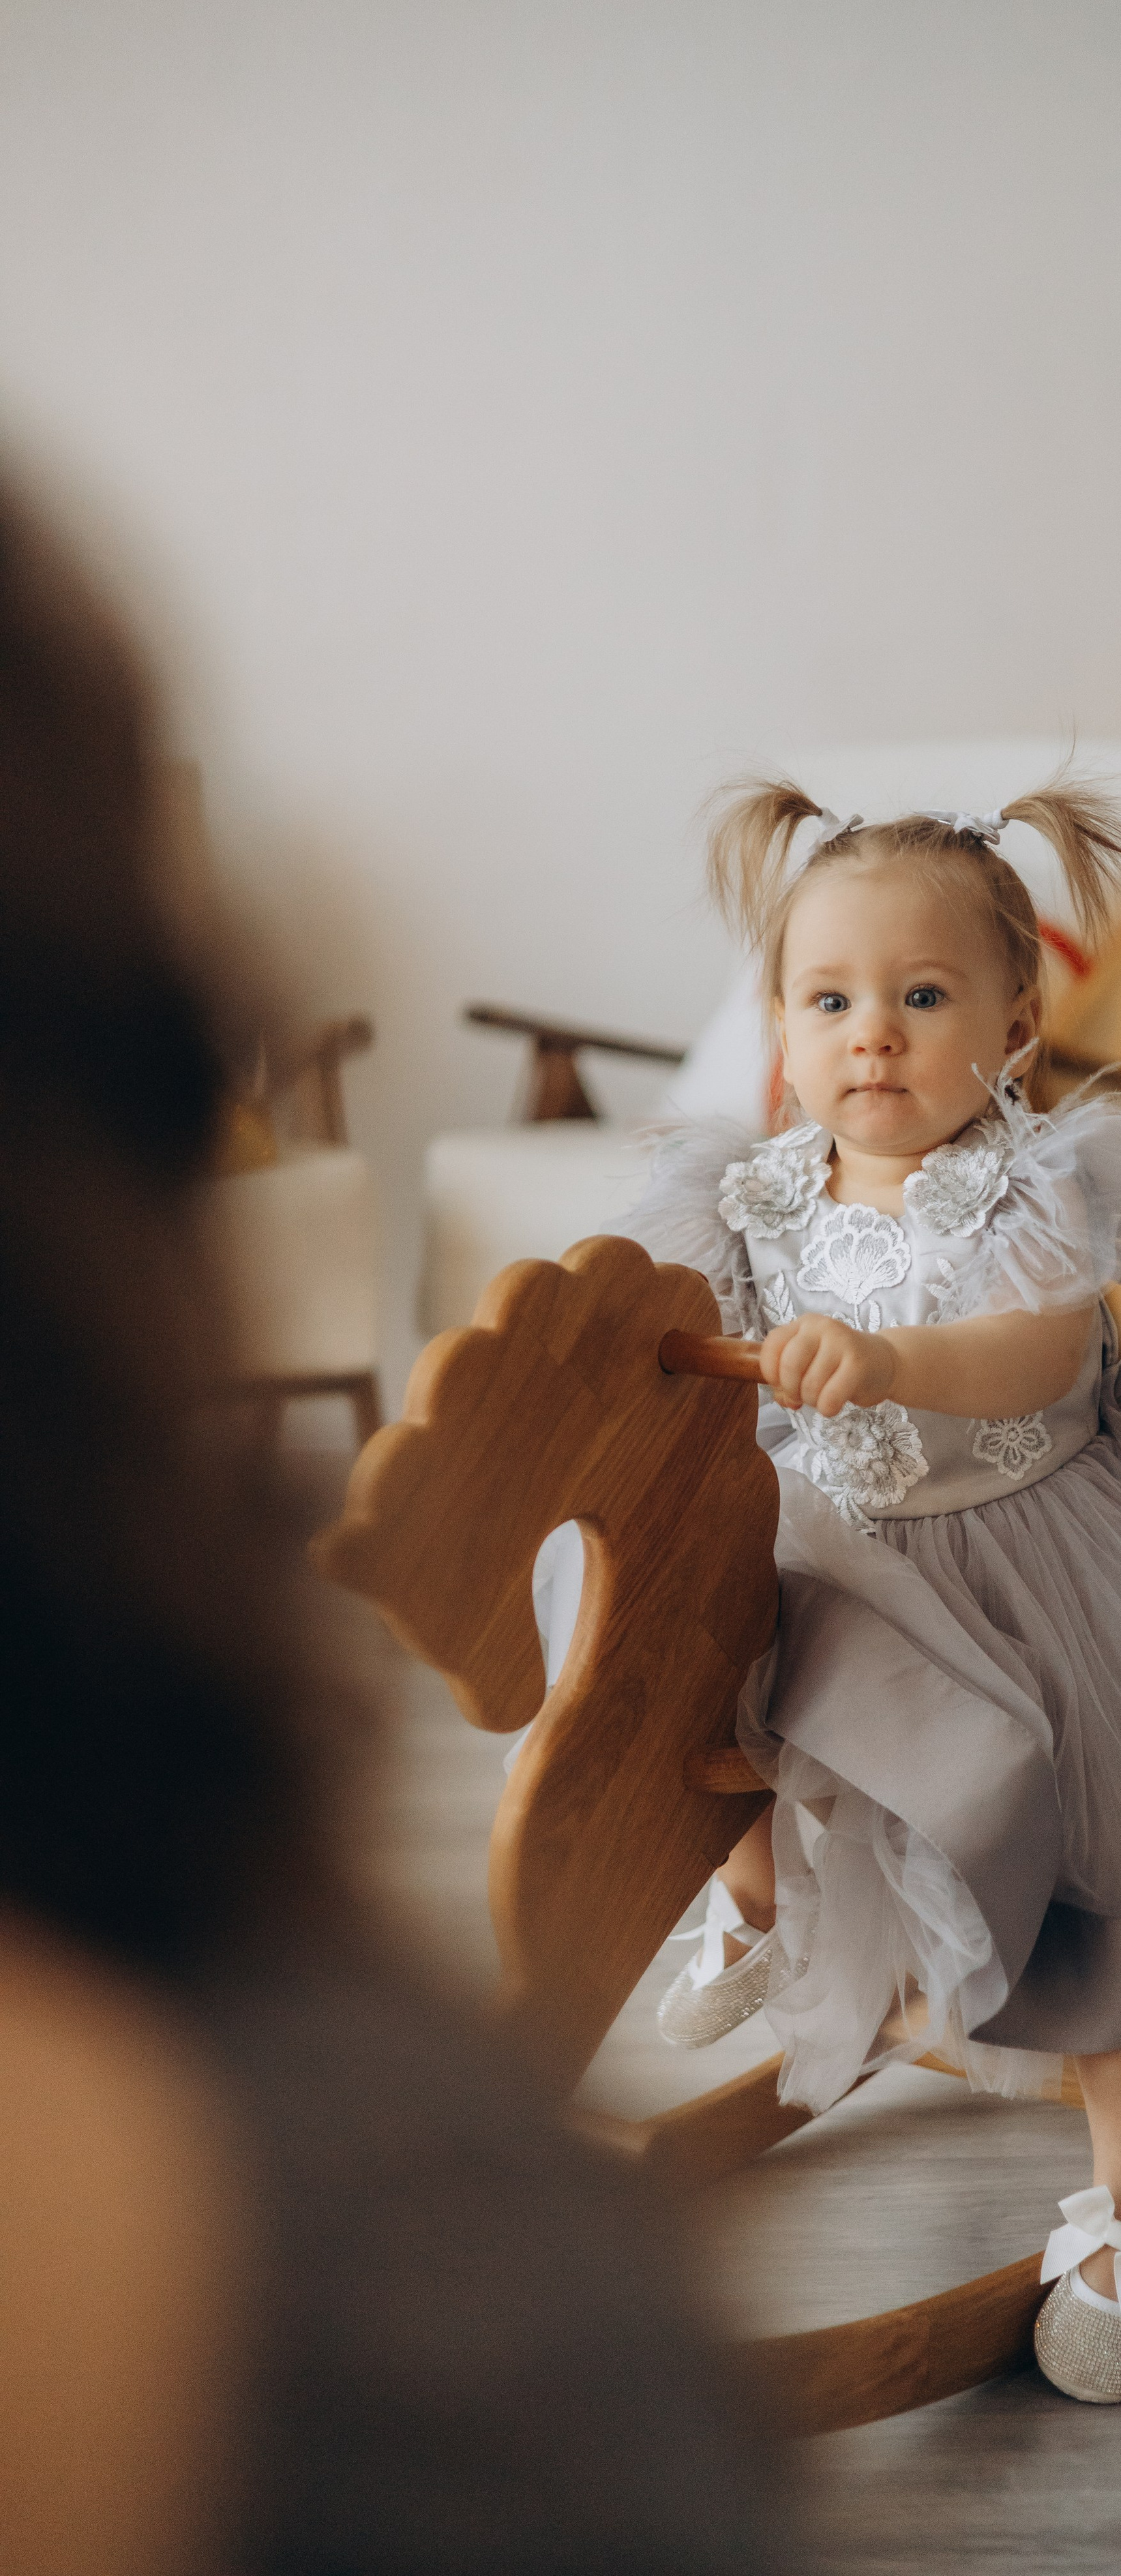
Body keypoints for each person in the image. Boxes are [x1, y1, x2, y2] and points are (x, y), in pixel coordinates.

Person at [0, 476, 785, 2573]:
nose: (863, 1043)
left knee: (931, 1690)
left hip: (922, 1458)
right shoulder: (437, 2273)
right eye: (827, 1005)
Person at [614, 779, 1121, 2405]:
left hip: (1035, 1569)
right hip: (828, 1565)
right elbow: (668, 1354)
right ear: (778, 1021)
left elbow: (1036, 1351)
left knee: (1098, 1894)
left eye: (920, 998)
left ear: (1016, 1019)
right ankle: (755, 1904)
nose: (872, 1040)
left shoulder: (1033, 1184)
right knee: (678, 1641)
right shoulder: (752, 1196)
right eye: (829, 1001)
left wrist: (892, 1358)